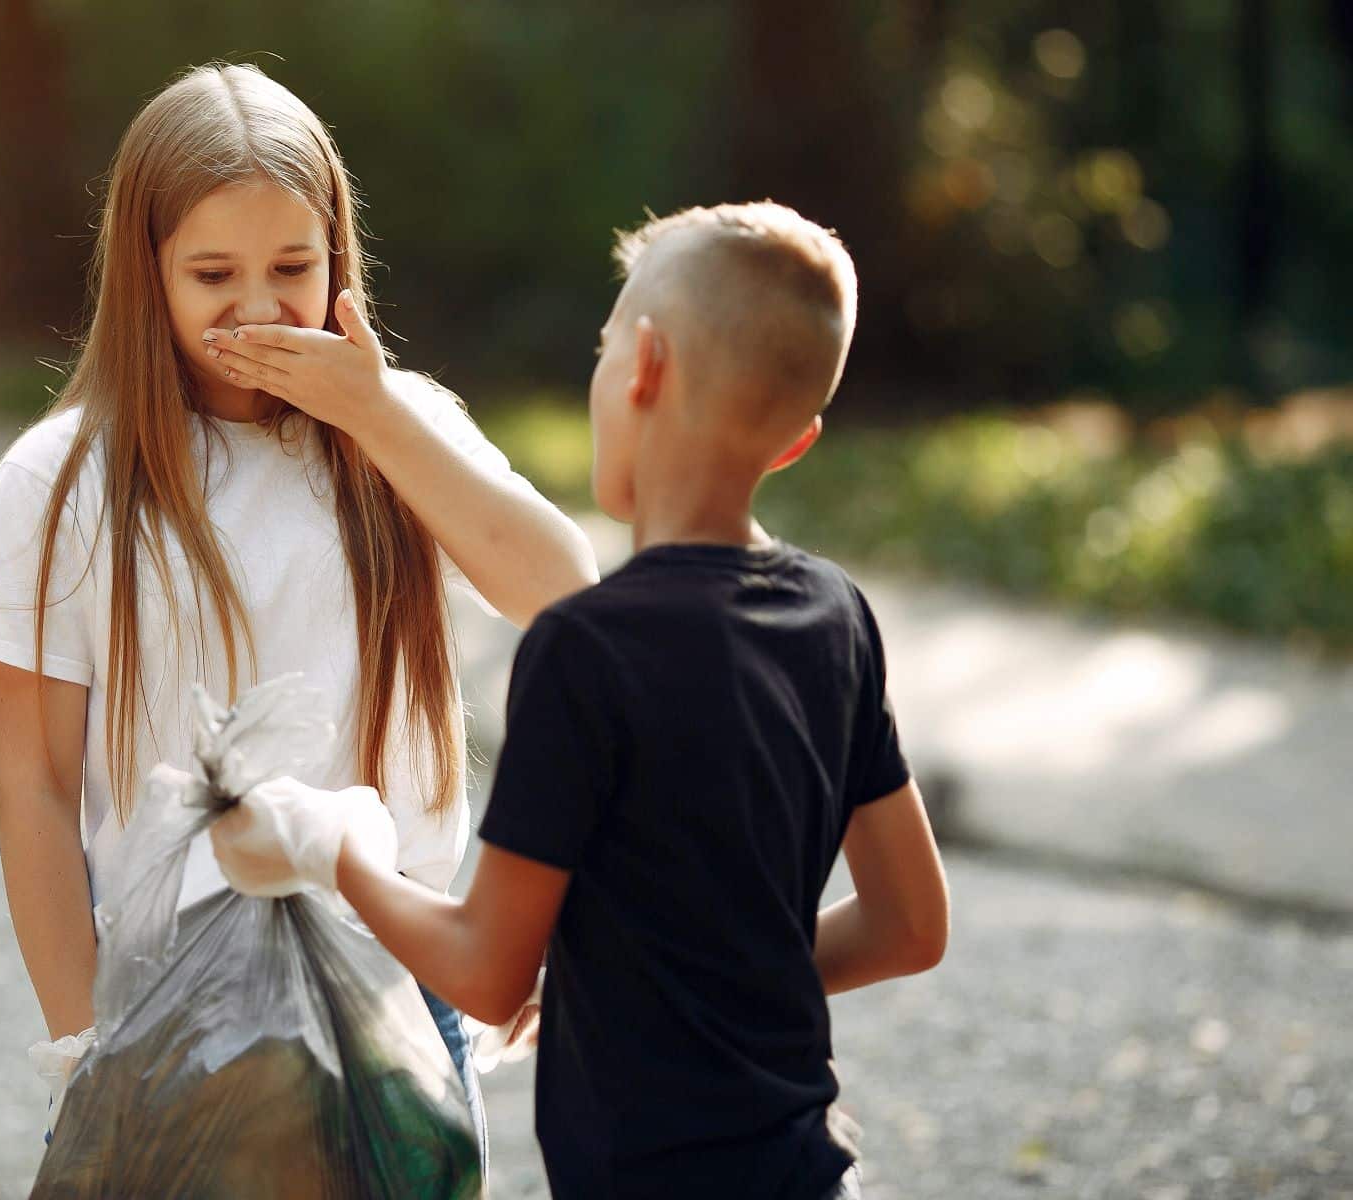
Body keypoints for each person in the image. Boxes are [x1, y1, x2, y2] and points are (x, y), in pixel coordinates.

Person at [210, 201, 952, 1200]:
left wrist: (329, 847)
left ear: (643, 366)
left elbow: (486, 972)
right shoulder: (835, 615)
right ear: (797, 441)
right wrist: (653, 981)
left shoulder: (587, 650)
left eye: (603, 350)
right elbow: (911, 925)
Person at [0, 61, 598, 1155]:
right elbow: (34, 785)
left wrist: (373, 415)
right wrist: (82, 1046)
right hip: (169, 1002)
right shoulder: (62, 478)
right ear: (145, 273)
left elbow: (565, 592)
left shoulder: (399, 427)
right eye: (212, 274)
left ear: (338, 254)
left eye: (292, 267)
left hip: (397, 987)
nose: (256, 306)